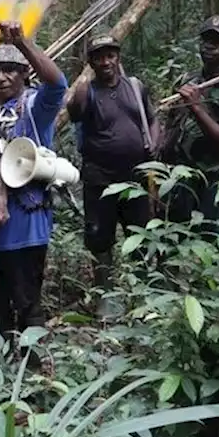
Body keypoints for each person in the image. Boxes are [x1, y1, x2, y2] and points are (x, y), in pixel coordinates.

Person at [0, 19, 68, 342]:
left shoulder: (34, 108)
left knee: (27, 305)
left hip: (25, 228)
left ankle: (34, 376)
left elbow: (58, 85)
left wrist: (25, 44)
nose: (1, 77)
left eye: (10, 70)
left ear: (25, 73)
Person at [67, 32, 157, 318]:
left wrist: (154, 145)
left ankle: (142, 296)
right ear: (90, 62)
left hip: (136, 178)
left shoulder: (136, 86)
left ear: (118, 57)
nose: (106, 61)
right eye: (99, 56)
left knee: (141, 236)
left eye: (110, 55)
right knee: (100, 238)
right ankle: (107, 297)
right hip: (100, 179)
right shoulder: (87, 91)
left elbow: (153, 120)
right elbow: (74, 113)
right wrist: (78, 93)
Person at [157, 15, 219, 226]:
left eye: (218, 41)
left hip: (214, 178)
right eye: (206, 40)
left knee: (208, 240)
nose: (209, 46)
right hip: (179, 174)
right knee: (173, 236)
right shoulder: (187, 80)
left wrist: (196, 107)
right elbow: (171, 123)